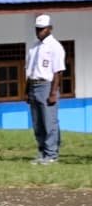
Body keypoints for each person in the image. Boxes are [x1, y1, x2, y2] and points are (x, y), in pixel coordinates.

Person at [26, 13, 66, 165]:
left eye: (42, 29)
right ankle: (42, 152)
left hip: (47, 86)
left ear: (50, 28)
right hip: (33, 85)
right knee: (38, 123)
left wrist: (53, 93)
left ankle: (52, 155)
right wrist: (27, 91)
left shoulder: (55, 46)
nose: (39, 31)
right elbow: (29, 70)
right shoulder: (34, 46)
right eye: (37, 28)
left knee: (49, 122)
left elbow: (58, 72)